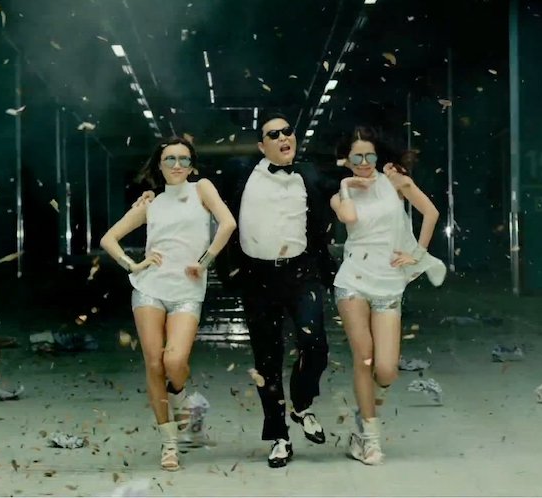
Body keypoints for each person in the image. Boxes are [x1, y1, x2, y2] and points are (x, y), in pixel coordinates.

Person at [100, 137, 236, 471]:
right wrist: (132, 265)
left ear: (192, 165)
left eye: (183, 159)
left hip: (187, 290)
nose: (177, 165)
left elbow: (228, 223)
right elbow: (108, 238)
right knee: (154, 363)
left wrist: (204, 261)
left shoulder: (202, 189)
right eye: (169, 159)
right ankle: (169, 443)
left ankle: (187, 400)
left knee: (174, 361)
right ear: (159, 166)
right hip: (149, 288)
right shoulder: (150, 203)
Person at [215, 112, 340, 468]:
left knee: (315, 345)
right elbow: (198, 190)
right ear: (261, 146)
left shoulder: (310, 173)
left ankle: (302, 404)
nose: (284, 137)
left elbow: (348, 185)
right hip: (258, 277)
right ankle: (279, 436)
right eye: (274, 134)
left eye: (288, 131)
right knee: (267, 359)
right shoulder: (241, 175)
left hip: (302, 272)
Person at [330, 126, 446, 465]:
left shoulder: (394, 181)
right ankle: (369, 438)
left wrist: (418, 254)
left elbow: (431, 213)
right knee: (364, 358)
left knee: (386, 370)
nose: (365, 162)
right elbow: (349, 217)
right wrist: (346, 185)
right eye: (357, 157)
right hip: (352, 281)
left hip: (389, 283)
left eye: (370, 155)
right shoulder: (340, 196)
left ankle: (364, 413)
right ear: (346, 160)